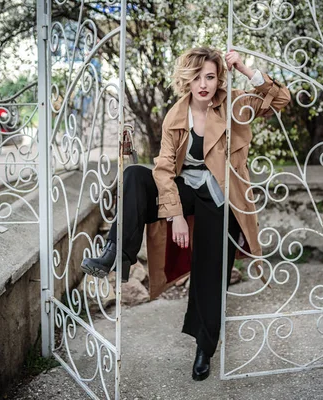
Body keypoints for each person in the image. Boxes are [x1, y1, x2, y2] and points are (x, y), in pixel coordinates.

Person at [81, 46, 291, 381]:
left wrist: (245, 68)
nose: (204, 83)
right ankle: (115, 253)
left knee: (210, 269)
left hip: (222, 196)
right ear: (187, 80)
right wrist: (175, 214)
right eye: (197, 77)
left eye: (210, 76)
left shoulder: (234, 103)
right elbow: (164, 169)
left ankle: (204, 349)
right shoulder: (175, 116)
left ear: (219, 78)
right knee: (135, 175)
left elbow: (280, 100)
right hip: (185, 190)